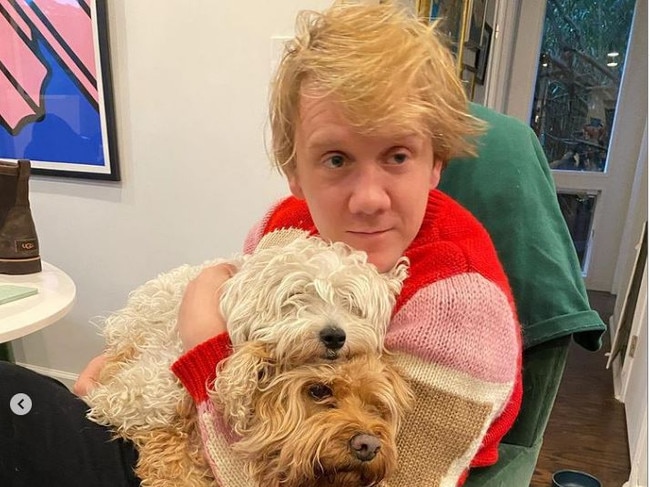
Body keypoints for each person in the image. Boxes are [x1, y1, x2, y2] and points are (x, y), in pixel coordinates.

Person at [0, 1, 604, 486]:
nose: (367, 198)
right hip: (177, 431)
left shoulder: (459, 312)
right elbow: (248, 332)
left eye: (397, 156)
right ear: (293, 169)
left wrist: (202, 346)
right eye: (336, 159)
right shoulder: (290, 221)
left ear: (436, 162)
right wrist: (136, 360)